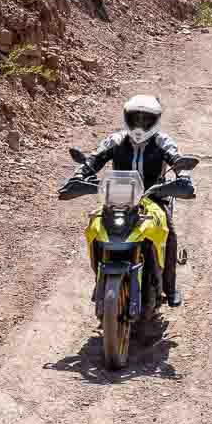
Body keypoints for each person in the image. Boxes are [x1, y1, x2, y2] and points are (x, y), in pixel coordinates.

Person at [77, 95, 188, 306]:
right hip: (119, 197)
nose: (139, 124)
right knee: (95, 229)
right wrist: (80, 173)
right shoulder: (116, 140)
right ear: (126, 117)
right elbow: (94, 158)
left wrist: (184, 177)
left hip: (154, 196)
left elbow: (177, 160)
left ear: (156, 120)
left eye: (146, 119)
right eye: (135, 118)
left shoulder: (162, 141)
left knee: (169, 235)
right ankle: (99, 277)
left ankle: (169, 288)